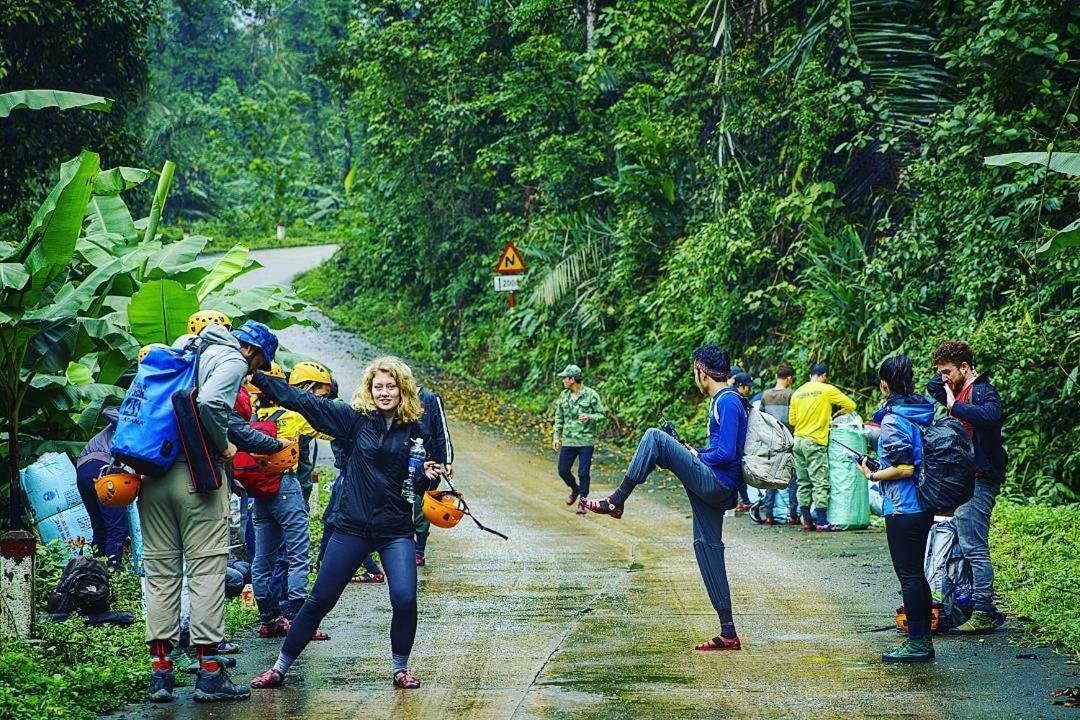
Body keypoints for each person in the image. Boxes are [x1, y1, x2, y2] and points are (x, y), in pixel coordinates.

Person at [249, 356, 441, 691]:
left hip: (395, 530)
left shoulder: (416, 431)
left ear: (402, 390)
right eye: (378, 386)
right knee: (320, 600)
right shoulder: (354, 421)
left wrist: (426, 476)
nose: (384, 392)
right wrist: (258, 377)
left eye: (391, 386)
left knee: (406, 598)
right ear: (369, 389)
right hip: (352, 527)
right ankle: (279, 668)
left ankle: (400, 669)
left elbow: (414, 487)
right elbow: (305, 401)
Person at [141, 318, 277, 704]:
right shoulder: (231, 358)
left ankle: (161, 674)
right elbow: (211, 403)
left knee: (161, 571)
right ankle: (210, 673)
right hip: (195, 477)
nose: (252, 373)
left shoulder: (181, 349)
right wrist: (222, 447)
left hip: (153, 474)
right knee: (205, 571)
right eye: (257, 365)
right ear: (252, 351)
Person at [585, 344, 747, 651]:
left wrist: (695, 454)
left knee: (654, 437)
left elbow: (726, 453)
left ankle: (616, 500)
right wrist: (693, 451)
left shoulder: (727, 401)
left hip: (717, 484)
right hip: (719, 486)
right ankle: (728, 632)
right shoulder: (726, 400)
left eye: (694, 372)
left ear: (702, 370)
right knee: (706, 550)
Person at [856, 355, 936, 662]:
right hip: (924, 501)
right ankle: (921, 639)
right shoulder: (921, 409)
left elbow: (903, 467)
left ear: (884, 385)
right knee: (916, 574)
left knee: (910, 575)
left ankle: (918, 643)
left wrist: (872, 474)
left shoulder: (892, 419)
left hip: (904, 505)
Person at [927, 340, 1007, 634]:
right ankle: (972, 605)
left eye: (948, 371)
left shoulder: (984, 391)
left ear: (965, 367)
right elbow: (931, 384)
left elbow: (991, 416)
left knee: (974, 546)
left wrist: (955, 405)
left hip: (982, 477)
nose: (943, 378)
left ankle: (984, 611)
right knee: (963, 544)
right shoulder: (952, 388)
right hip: (964, 480)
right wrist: (950, 381)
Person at [252, 361, 333, 641]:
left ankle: (268, 619)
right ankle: (299, 621)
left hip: (258, 491)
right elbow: (329, 430)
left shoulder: (252, 413)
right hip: (286, 488)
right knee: (299, 556)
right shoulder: (294, 415)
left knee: (262, 558)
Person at [789, 362, 856, 531]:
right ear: (824, 375)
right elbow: (851, 405)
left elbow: (792, 421)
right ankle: (821, 521)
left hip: (798, 441)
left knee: (802, 482)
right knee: (820, 482)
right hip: (815, 441)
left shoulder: (797, 392)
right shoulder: (827, 390)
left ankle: (807, 521)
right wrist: (836, 414)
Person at [75, 406, 130, 568]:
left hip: (84, 471)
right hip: (101, 469)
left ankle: (95, 575)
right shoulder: (133, 420)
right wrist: (135, 423)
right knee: (117, 527)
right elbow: (107, 411)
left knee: (100, 527)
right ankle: (113, 574)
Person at [552, 364, 606, 515]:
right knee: (563, 470)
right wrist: (556, 436)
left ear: (572, 379)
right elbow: (559, 418)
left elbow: (601, 415)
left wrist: (590, 417)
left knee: (583, 472)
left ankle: (583, 501)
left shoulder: (591, 395)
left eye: (565, 378)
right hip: (569, 440)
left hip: (585, 441)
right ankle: (575, 490)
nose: (563, 380)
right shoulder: (563, 396)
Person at [759, 363, 799, 526]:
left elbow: (760, 418)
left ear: (777, 377)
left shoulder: (766, 395)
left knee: (770, 478)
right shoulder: (791, 394)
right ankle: (792, 515)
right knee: (791, 479)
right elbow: (794, 419)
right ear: (789, 379)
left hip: (770, 441)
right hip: (787, 440)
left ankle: (769, 516)